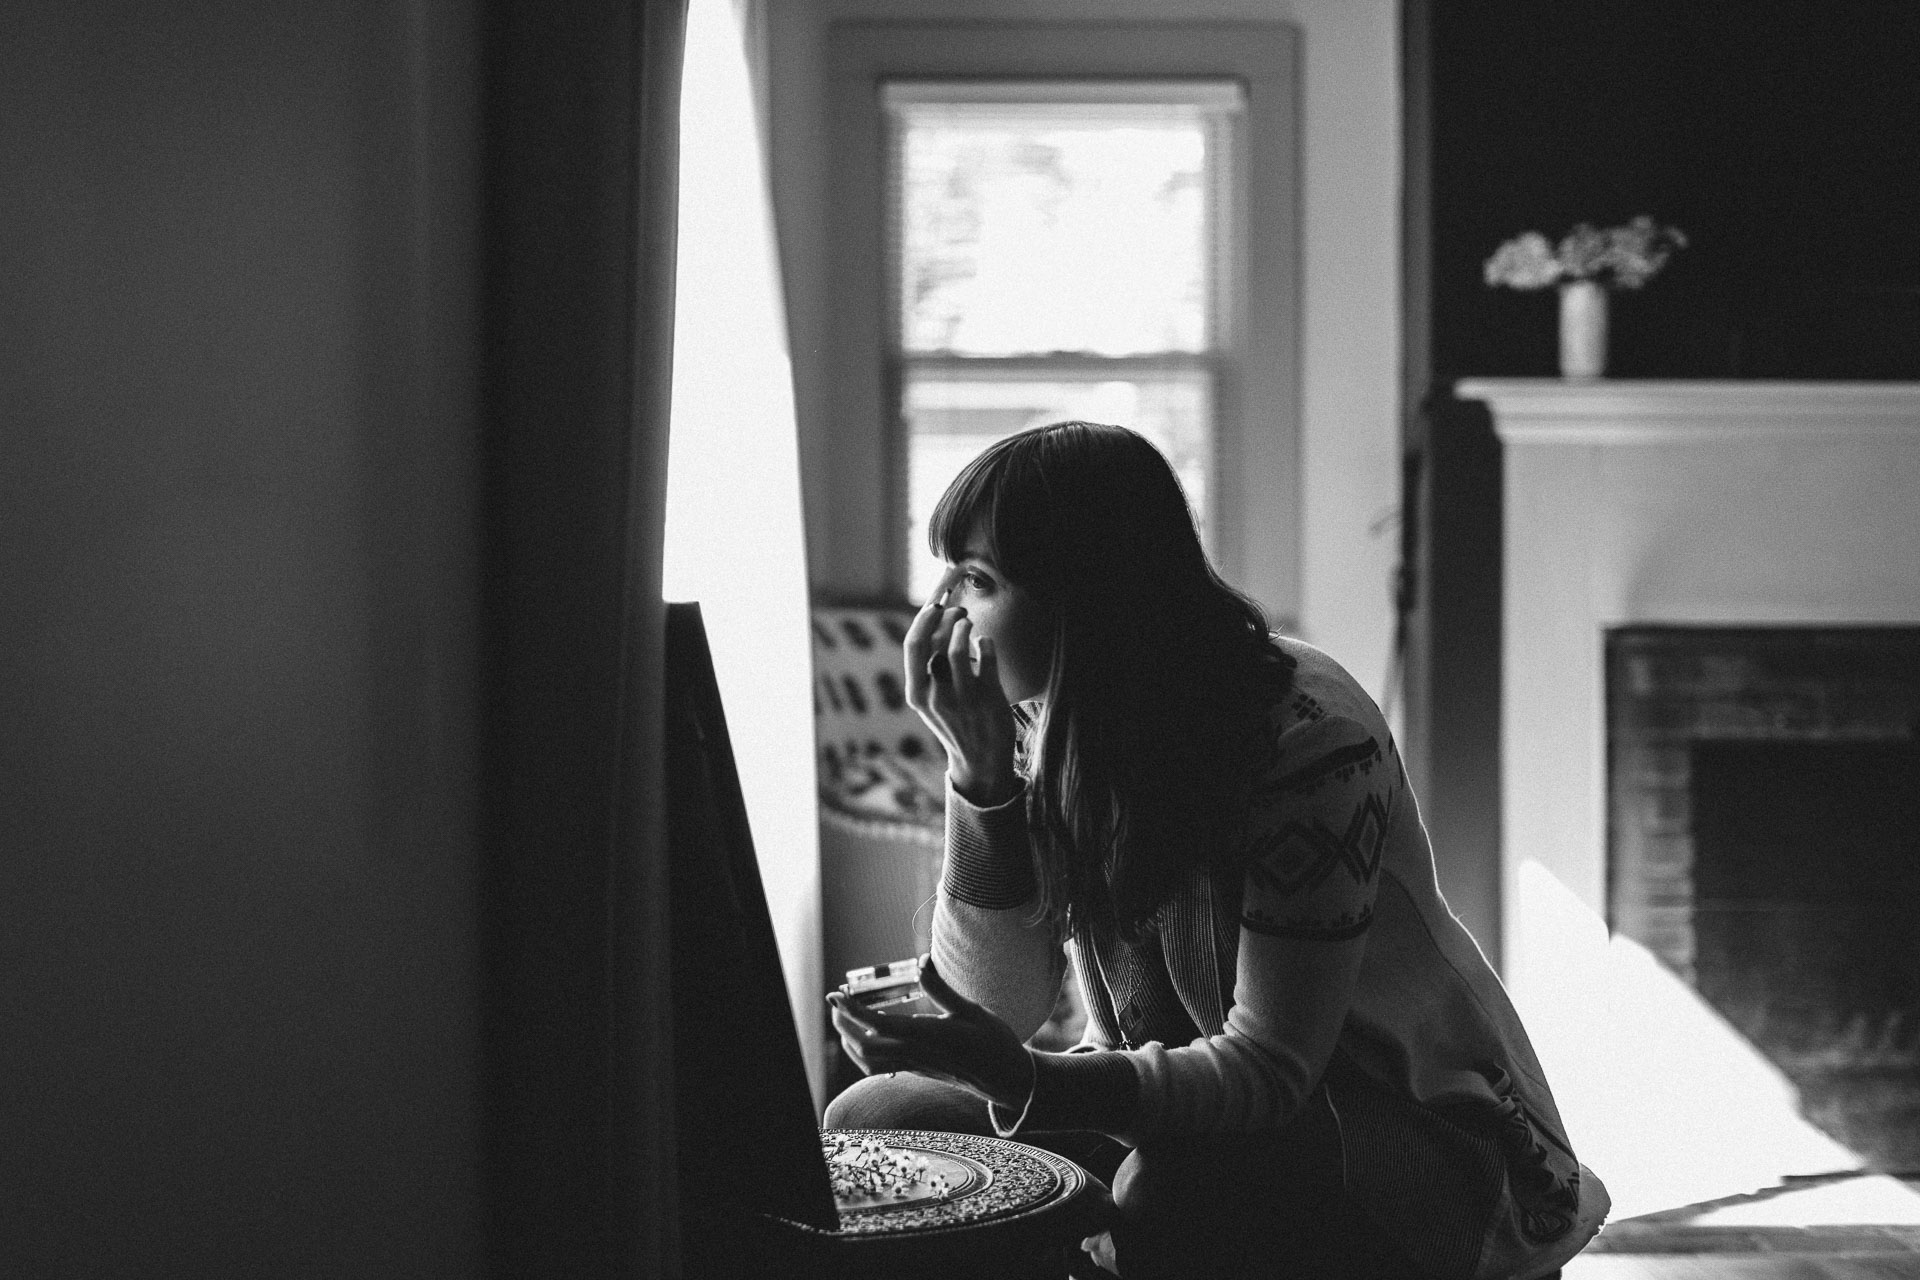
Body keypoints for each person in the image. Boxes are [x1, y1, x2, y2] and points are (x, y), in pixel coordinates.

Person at [824, 422, 1608, 1280]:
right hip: (1188, 1101)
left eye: (976, 578)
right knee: (880, 1114)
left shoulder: (1307, 739)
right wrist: (977, 778)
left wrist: (1031, 1083)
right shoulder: (1046, 719)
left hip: (1391, 1120)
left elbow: (1273, 1071)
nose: (939, 613)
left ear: (1085, 596)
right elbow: (997, 1003)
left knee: (1171, 1189)